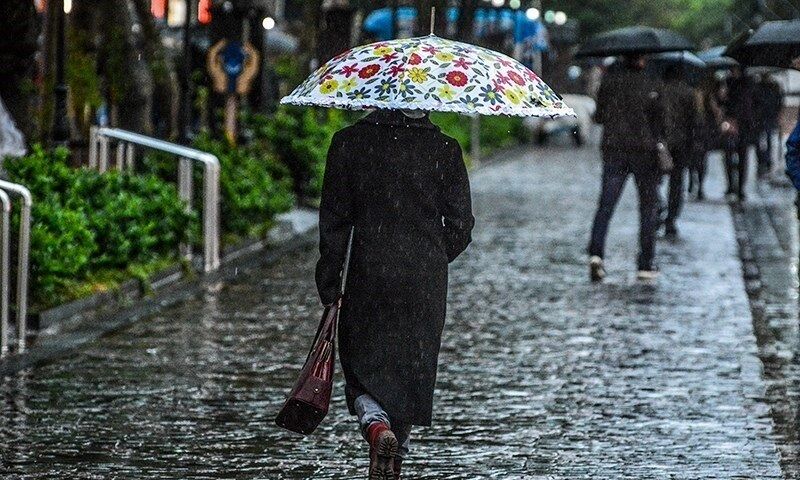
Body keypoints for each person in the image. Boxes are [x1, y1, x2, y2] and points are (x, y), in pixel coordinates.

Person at [316, 109, 474, 480]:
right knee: (411, 369)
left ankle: (376, 428)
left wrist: (329, 279)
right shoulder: (445, 149)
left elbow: (334, 221)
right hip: (424, 279)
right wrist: (433, 255)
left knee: (360, 365)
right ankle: (394, 453)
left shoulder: (348, 143)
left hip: (367, 271)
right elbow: (462, 226)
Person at [588, 55, 666, 281]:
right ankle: (645, 262)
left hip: (614, 149)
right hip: (645, 152)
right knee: (647, 208)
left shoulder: (609, 83)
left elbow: (599, 117)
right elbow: (660, 120)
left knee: (606, 206)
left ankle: (596, 253)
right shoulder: (652, 83)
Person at [661, 65, 699, 237]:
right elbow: (694, 121)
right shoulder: (688, 93)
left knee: (654, 180)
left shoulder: (659, 90)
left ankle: (659, 210)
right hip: (681, 142)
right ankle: (671, 217)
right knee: (676, 182)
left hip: (662, 141)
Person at [723, 66, 758, 202]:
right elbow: (725, 102)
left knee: (742, 156)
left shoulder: (749, 83)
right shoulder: (728, 82)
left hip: (744, 124)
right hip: (731, 123)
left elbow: (754, 104)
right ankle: (731, 185)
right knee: (728, 155)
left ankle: (740, 188)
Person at [689, 74, 725, 201]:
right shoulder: (708, 98)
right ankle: (698, 186)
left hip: (695, 132)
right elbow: (716, 116)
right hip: (702, 132)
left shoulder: (693, 96)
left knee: (694, 159)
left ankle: (693, 183)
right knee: (701, 161)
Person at [754, 74, 783, 177]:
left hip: (768, 116)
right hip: (763, 116)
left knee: (766, 139)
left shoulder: (772, 87)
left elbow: (779, 101)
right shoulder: (760, 87)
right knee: (762, 140)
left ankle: (765, 160)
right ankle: (764, 160)